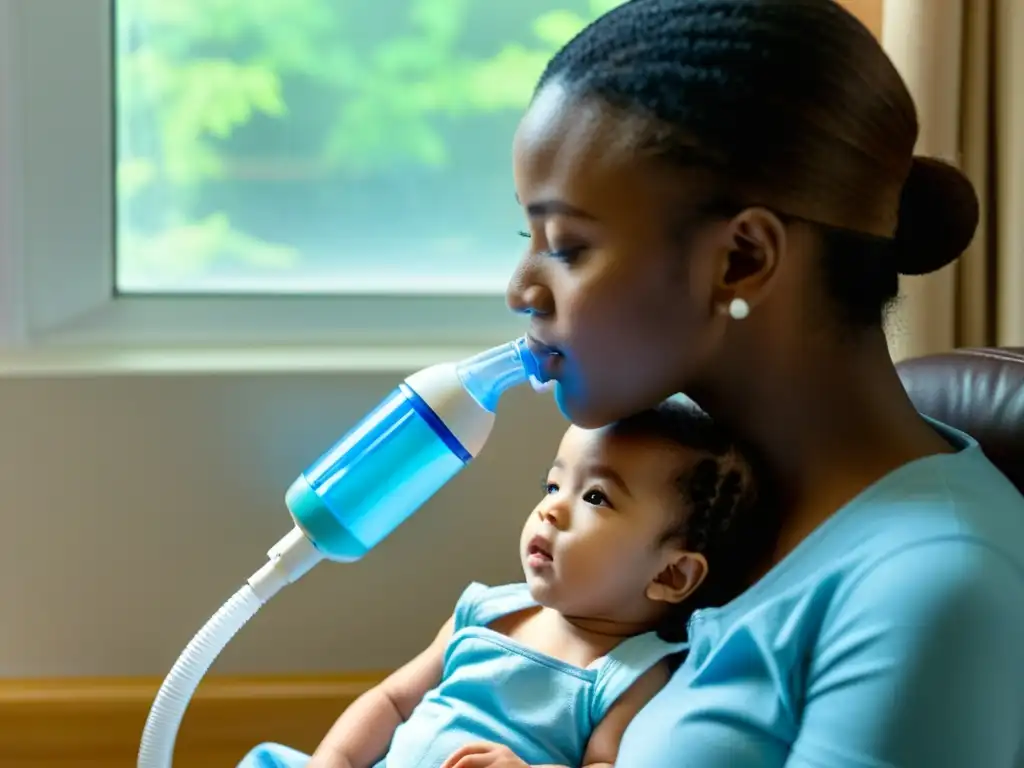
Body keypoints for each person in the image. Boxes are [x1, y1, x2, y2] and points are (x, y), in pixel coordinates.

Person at [484, 0, 1023, 766]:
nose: (521, 288)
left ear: (741, 260)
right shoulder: (701, 513)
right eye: (526, 238)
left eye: (567, 245)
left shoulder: (933, 590)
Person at [238, 399, 773, 767]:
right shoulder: (485, 612)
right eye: (554, 483)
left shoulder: (632, 675)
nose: (551, 509)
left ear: (670, 573)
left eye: (595, 498)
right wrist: (335, 760)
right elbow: (392, 701)